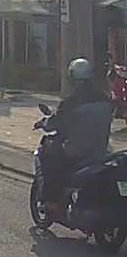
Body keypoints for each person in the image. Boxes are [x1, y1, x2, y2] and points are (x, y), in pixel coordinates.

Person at [42, 58, 115, 208]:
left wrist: (43, 123)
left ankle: (51, 201)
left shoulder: (71, 102)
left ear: (72, 78)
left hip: (76, 152)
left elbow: (55, 123)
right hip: (102, 150)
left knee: (48, 154)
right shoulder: (105, 99)